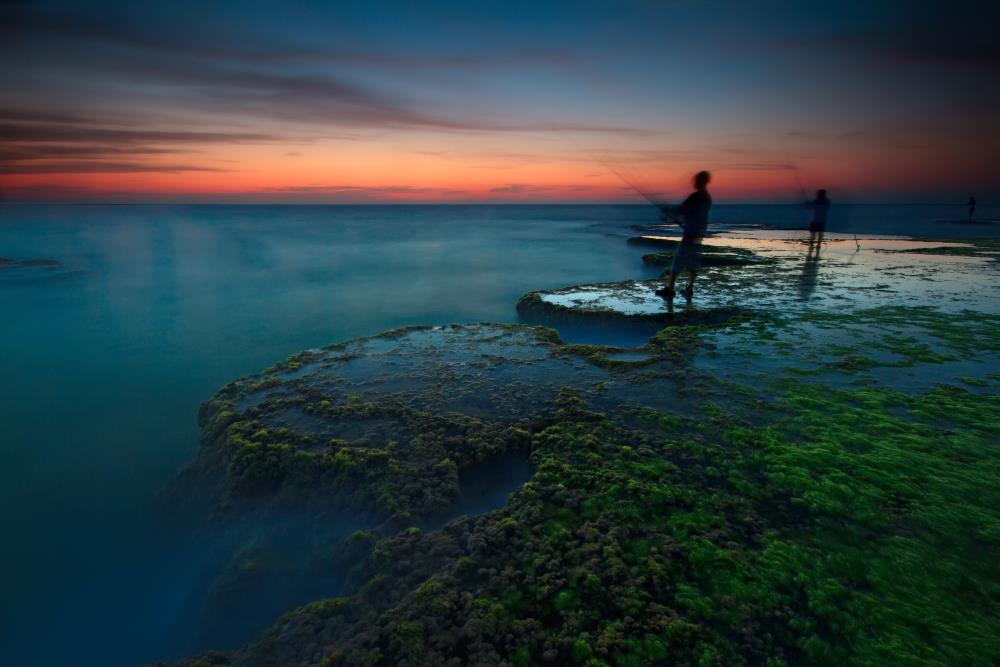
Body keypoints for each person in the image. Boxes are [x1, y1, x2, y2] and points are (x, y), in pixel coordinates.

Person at [654, 170, 712, 306]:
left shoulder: (697, 196)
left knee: (678, 259)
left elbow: (681, 209)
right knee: (693, 260)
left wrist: (667, 209)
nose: (694, 182)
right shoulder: (707, 197)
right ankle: (689, 288)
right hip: (699, 232)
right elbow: (690, 212)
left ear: (700, 181)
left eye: (696, 180)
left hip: (690, 234)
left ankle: (670, 289)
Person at [805, 188, 830, 254]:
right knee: (819, 234)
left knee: (813, 234)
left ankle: (812, 246)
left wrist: (807, 204)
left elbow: (809, 207)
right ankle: (817, 246)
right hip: (821, 220)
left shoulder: (817, 201)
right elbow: (810, 207)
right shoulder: (826, 201)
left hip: (815, 220)